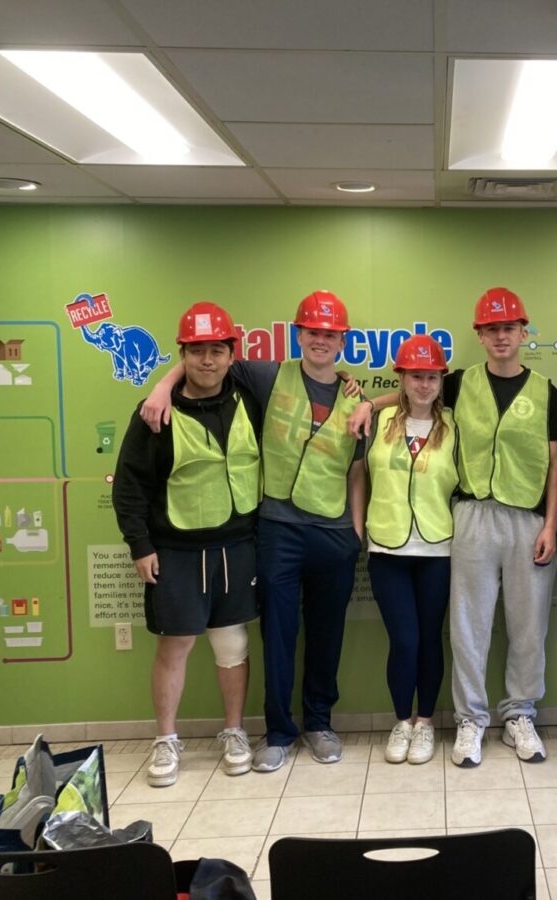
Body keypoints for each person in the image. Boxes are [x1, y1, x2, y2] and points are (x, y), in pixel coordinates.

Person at [143, 291, 365, 772]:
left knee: (328, 632)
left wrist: (356, 530)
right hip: (277, 530)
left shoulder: (357, 399)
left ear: (342, 340)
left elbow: (356, 470)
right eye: (313, 332)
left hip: (333, 533)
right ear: (299, 334)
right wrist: (161, 388)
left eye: (330, 334)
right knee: (279, 634)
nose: (321, 341)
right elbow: (205, 360)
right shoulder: (266, 375)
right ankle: (280, 732)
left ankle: (320, 723)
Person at [350, 287, 557, 767]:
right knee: (469, 627)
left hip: (529, 520)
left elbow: (554, 466)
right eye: (492, 329)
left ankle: (520, 714)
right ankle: (471, 719)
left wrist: (551, 523)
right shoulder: (462, 382)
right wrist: (369, 404)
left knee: (528, 627)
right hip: (470, 516)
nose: (501, 336)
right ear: (480, 335)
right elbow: (413, 391)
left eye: (509, 327)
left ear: (523, 332)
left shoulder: (545, 390)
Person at [114, 302, 262, 786]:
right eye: (196, 351)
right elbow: (129, 485)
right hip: (174, 550)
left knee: (232, 644)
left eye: (216, 350)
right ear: (183, 354)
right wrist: (139, 546)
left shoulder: (249, 396)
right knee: (175, 645)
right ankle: (165, 740)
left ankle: (234, 732)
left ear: (230, 354)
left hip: (237, 545)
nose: (206, 360)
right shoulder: (156, 413)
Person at [365, 335, 458, 765]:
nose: (424, 385)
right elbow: (355, 475)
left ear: (441, 380)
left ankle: (425, 723)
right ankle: (401, 720)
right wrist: (356, 527)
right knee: (404, 640)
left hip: (437, 548)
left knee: (429, 641)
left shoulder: (455, 425)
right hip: (386, 547)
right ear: (401, 377)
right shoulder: (377, 422)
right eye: (416, 376)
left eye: (432, 376)